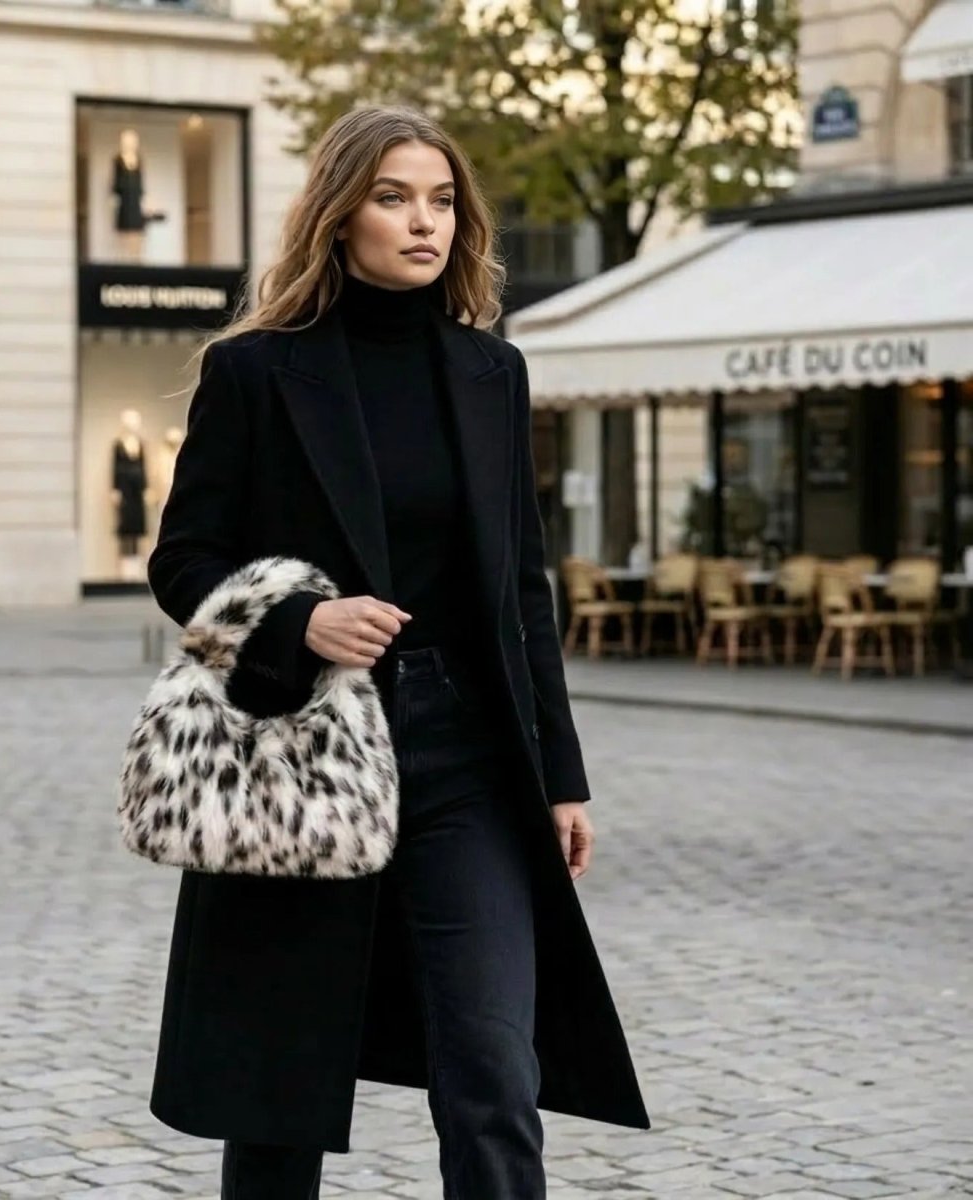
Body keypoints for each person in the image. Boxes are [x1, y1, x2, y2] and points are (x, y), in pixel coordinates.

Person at [145, 104, 648, 1200]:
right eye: (393, 197)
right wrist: (298, 624)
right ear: (339, 215)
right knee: (279, 1091)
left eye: (442, 200)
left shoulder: (489, 372)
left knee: (493, 1074)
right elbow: (182, 564)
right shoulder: (258, 373)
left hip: (466, 756)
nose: (424, 222)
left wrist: (560, 776)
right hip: (306, 755)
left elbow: (523, 587)